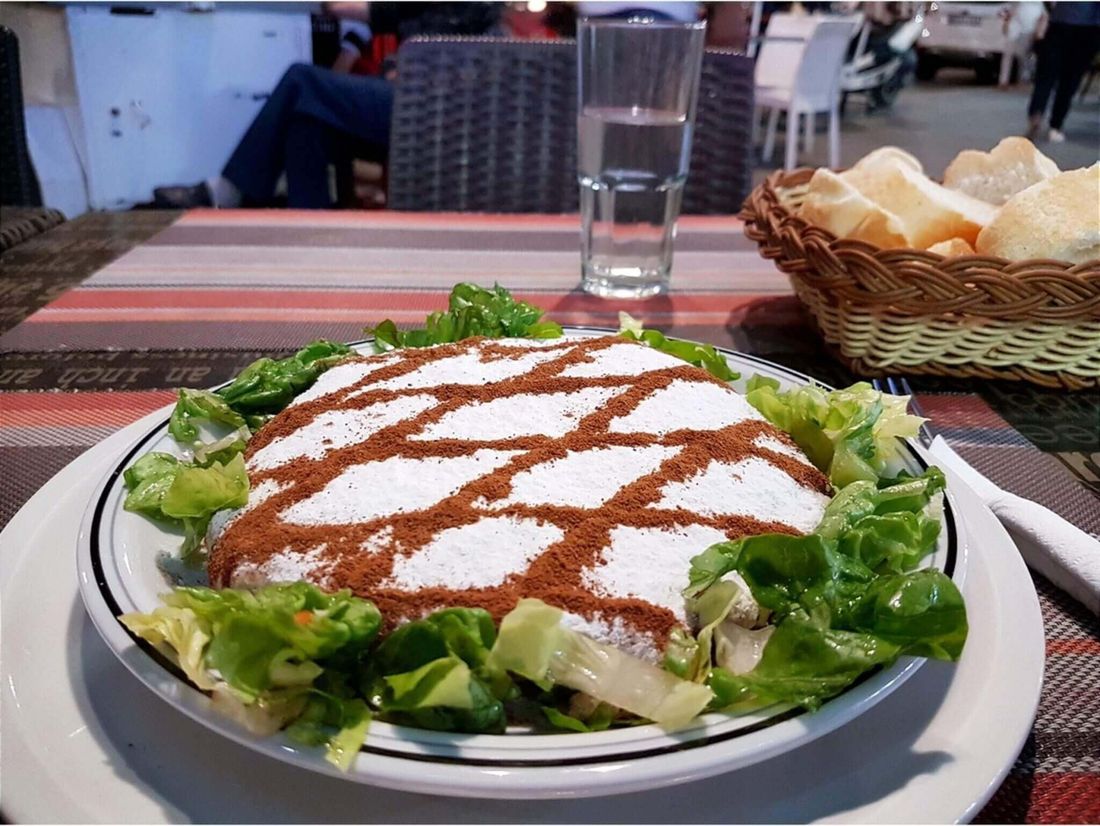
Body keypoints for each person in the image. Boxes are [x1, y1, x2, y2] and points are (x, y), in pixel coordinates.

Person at [154, 3, 502, 209]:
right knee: (306, 121)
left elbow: (338, 7)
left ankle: (229, 190)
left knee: (301, 79)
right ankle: (310, 227)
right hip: (408, 101)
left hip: (427, 107)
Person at [1026, 2, 1100, 143]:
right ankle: (1055, 125)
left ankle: (1037, 112)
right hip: (1088, 27)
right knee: (1069, 80)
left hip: (1060, 22)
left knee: (1046, 76)